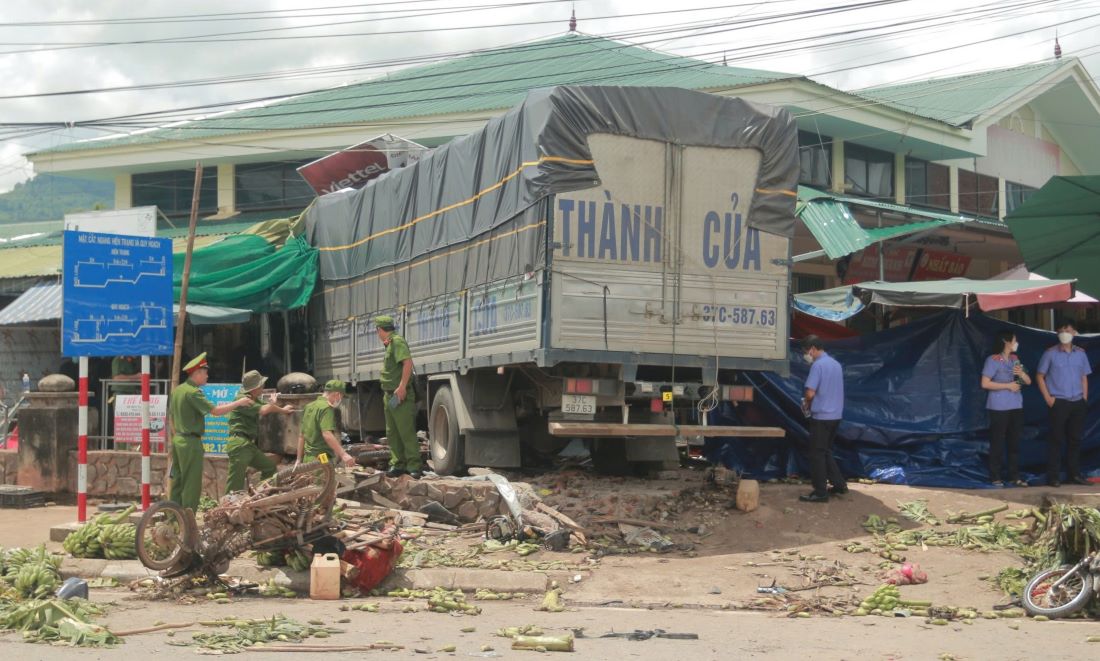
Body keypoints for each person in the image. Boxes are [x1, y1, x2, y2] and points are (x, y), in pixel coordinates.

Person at [168, 353, 253, 510]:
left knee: (177, 481)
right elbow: (215, 411)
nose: (207, 376)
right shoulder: (193, 392)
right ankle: (188, 521)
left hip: (178, 440)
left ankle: (172, 517)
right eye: (205, 372)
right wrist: (238, 402)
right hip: (190, 443)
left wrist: (176, 436)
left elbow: (171, 418)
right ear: (198, 373)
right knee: (191, 484)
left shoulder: (178, 390)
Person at [1036, 320, 1091, 487]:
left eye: (1067, 329)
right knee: (1056, 440)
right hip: (1058, 402)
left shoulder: (1081, 353)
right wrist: (1048, 398)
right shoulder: (1050, 353)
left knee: (1075, 440)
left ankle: (1074, 475)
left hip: (1077, 401)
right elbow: (1040, 376)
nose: (1064, 333)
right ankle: (1053, 477)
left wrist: (1085, 398)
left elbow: (1084, 377)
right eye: (1060, 330)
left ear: (1074, 332)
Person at [225, 370, 295, 494]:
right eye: (261, 385)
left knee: (269, 467)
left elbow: (267, 406)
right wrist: (281, 409)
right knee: (235, 482)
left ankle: (261, 497)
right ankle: (226, 510)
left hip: (248, 445)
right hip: (239, 444)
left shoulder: (252, 397)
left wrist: (281, 408)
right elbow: (264, 410)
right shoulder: (244, 399)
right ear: (254, 388)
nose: (263, 388)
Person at [799, 335, 848, 503]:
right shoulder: (836, 364)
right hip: (836, 416)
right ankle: (840, 485)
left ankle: (820, 492)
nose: (807, 355)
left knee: (816, 454)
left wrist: (806, 403)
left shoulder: (818, 366)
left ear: (812, 348)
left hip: (821, 417)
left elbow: (810, 392)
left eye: (807, 351)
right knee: (825, 450)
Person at [981, 331, 1031, 487]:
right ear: (1006, 342)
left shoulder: (1015, 360)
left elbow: (1027, 382)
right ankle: (995, 476)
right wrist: (1007, 386)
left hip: (1016, 404)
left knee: (1014, 442)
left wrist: (1021, 373)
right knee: (997, 441)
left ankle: (1014, 475)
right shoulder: (993, 360)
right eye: (1014, 340)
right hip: (999, 406)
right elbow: (985, 383)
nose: (1016, 343)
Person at [375, 315, 420, 479]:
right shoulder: (389, 344)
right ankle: (398, 464)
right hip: (389, 396)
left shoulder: (397, 342)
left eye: (377, 331)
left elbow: (407, 362)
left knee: (405, 431)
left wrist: (402, 387)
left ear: (380, 330)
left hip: (399, 395)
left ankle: (414, 465)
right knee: (393, 431)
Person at [298, 379, 356, 467]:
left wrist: (298, 459)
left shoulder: (309, 406)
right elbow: (327, 434)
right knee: (326, 479)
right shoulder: (327, 408)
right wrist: (343, 454)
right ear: (337, 394)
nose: (340, 400)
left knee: (312, 480)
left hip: (307, 459)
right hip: (321, 459)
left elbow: (301, 435)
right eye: (342, 396)